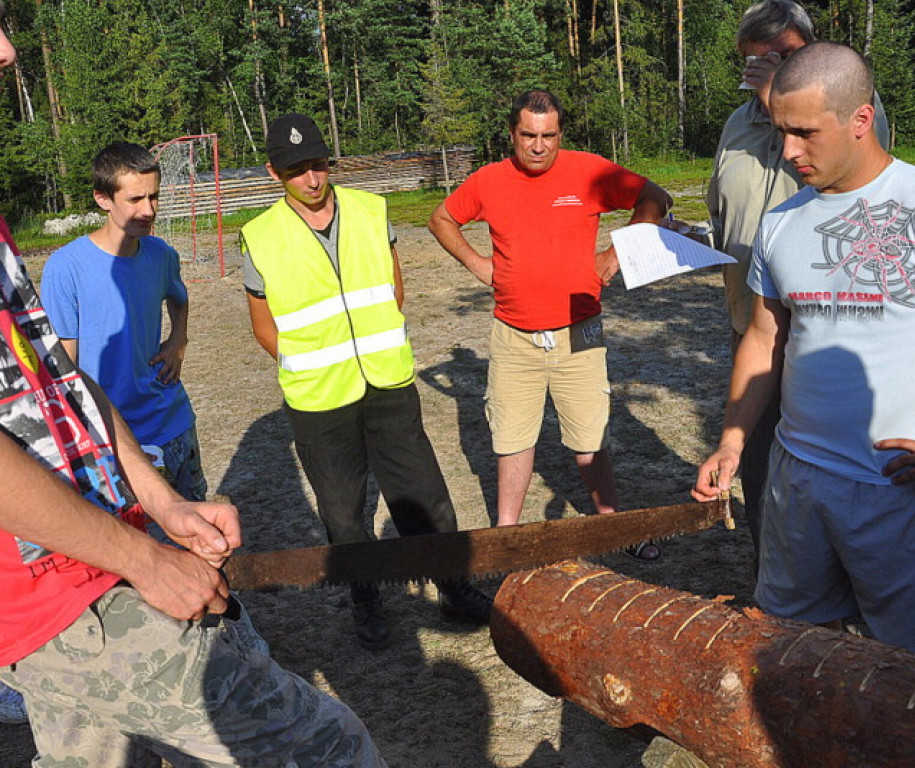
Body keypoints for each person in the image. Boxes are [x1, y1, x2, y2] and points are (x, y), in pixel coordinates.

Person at [0, 19, 387, 766]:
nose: (11, 50)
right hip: (55, 588)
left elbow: (56, 382)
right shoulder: (74, 264)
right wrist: (143, 560)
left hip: (89, 546)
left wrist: (159, 501)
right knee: (331, 749)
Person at [692, 42, 915, 665]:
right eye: (779, 130)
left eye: (804, 132)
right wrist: (734, 439)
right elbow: (765, 338)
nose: (788, 151)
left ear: (861, 120)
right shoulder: (782, 222)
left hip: (897, 491)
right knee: (793, 656)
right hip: (797, 485)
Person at [240, 113, 491, 651]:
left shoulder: (371, 211)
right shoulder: (259, 237)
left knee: (422, 494)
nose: (311, 179)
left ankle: (453, 586)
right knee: (341, 509)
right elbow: (264, 326)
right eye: (296, 171)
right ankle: (366, 600)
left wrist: (370, 345)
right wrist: (311, 362)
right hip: (317, 399)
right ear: (273, 173)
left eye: (317, 165)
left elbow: (393, 289)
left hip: (388, 382)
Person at [428, 90, 672, 560]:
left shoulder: (589, 171)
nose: (538, 146)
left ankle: (615, 525)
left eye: (548, 136)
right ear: (512, 135)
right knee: (512, 441)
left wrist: (617, 252)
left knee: (589, 442)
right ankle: (507, 538)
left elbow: (654, 198)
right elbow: (442, 218)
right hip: (513, 334)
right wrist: (479, 265)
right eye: (528, 136)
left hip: (580, 330)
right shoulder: (489, 180)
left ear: (561, 134)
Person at [706, 0, 891, 563]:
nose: (768, 69)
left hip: (827, 333)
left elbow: (850, 193)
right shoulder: (738, 125)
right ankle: (776, 587)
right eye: (756, 61)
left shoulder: (855, 111)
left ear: (810, 50)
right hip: (753, 323)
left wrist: (779, 100)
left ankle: (846, 595)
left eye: (782, 57)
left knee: (833, 474)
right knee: (760, 466)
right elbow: (728, 209)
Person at [42, 142, 207, 505]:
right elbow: (63, 367)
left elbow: (179, 299)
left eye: (154, 197)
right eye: (135, 199)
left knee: (199, 532)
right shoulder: (65, 268)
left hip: (174, 424)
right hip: (116, 440)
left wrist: (178, 341)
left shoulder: (162, 255)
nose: (148, 210)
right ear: (103, 199)